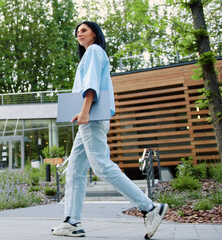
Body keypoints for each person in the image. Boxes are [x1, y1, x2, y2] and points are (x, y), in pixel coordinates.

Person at [51, 21, 168, 239]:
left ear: (95, 33)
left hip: (91, 117)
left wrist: (85, 111)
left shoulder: (95, 51)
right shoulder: (89, 55)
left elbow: (92, 83)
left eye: (84, 29)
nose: (79, 33)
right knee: (75, 170)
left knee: (101, 166)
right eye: (77, 31)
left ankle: (149, 208)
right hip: (87, 118)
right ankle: (71, 222)